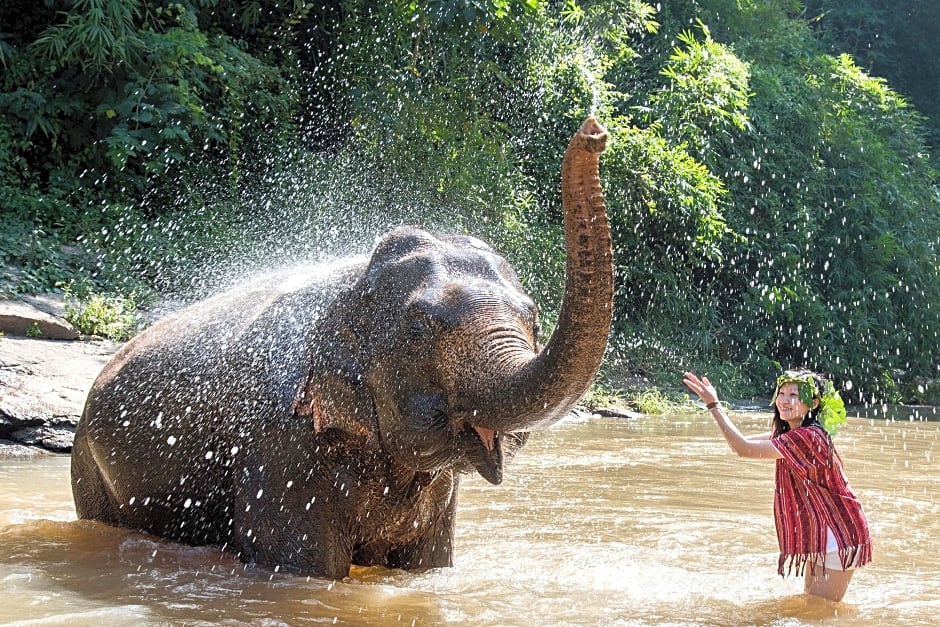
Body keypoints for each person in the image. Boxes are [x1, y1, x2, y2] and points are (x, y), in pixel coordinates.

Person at [682, 369, 872, 602]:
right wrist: (715, 407)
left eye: (794, 394)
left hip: (840, 533)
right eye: (782, 392)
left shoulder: (808, 437)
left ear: (812, 403)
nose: (785, 399)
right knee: (811, 606)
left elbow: (742, 448)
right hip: (823, 530)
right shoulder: (791, 433)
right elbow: (742, 443)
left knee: (819, 613)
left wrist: (714, 405)